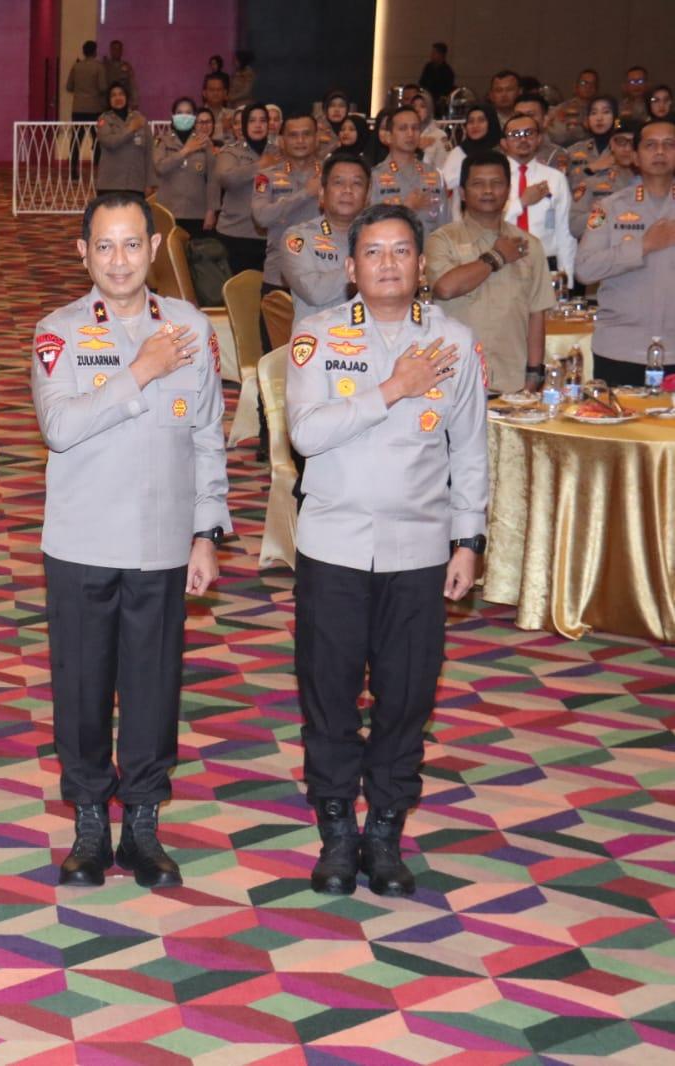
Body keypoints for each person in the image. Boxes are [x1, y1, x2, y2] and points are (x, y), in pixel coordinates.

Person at [286, 202, 488, 899]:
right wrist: (394, 388)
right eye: (373, 252)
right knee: (329, 696)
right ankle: (337, 831)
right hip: (334, 546)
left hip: (418, 548)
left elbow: (470, 448)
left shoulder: (454, 342)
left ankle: (385, 831)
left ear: (421, 264)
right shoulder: (316, 337)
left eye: (401, 251)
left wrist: (468, 539)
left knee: (406, 697)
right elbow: (306, 434)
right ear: (351, 267)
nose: (388, 264)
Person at [32, 191, 229, 889]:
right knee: (82, 689)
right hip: (82, 541)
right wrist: (141, 370)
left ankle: (142, 823)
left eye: (132, 244)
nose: (119, 260)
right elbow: (60, 427)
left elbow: (207, 433)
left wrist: (206, 530)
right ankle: (89, 821)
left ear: (153, 249)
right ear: (83, 254)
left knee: (152, 689)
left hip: (161, 541)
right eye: (104, 246)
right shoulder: (57, 331)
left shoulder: (189, 327)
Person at [427, 150, 551, 395]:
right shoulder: (442, 239)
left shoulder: (530, 245)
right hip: (454, 379)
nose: (488, 191)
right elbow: (445, 288)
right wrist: (497, 257)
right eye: (478, 184)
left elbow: (537, 313)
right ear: (463, 193)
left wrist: (534, 374)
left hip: (513, 380)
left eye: (496, 183)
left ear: (508, 190)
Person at [576, 118, 675, 386]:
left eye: (669, 144)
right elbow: (585, 269)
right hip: (619, 349)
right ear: (635, 157)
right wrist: (643, 246)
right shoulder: (606, 208)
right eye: (650, 145)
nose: (660, 151)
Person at [280, 152, 370, 323]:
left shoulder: (378, 239)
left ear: (367, 197)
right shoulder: (298, 237)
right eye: (338, 182)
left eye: (357, 183)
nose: (348, 190)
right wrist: (367, 268)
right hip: (319, 335)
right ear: (322, 193)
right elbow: (313, 292)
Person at [252, 110, 323, 291]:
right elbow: (261, 217)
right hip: (278, 276)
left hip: (323, 275)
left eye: (306, 134)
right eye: (293, 135)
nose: (300, 141)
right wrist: (306, 193)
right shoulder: (266, 177)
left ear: (317, 138)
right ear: (282, 141)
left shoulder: (333, 176)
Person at [501, 113, 574, 282]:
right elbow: (487, 223)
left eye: (529, 133)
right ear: (504, 143)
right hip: (505, 265)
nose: (523, 139)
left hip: (545, 265)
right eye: (515, 134)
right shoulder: (494, 177)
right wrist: (521, 203)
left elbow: (565, 232)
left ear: (539, 139)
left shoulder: (555, 178)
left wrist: (566, 279)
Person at [206, 103, 269, 275]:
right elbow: (226, 179)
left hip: (269, 235)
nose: (258, 125)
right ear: (244, 125)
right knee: (236, 288)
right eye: (252, 121)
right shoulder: (231, 151)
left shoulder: (277, 151)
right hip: (235, 233)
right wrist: (259, 166)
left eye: (263, 120)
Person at [369, 106, 445, 234]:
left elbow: (445, 227)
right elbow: (368, 227)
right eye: (403, 128)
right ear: (389, 136)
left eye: (415, 128)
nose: (410, 133)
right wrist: (406, 209)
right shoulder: (374, 177)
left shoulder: (435, 176)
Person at [569, 118, 638, 239]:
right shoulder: (592, 182)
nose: (627, 148)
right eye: (621, 141)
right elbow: (574, 227)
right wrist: (603, 215)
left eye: (633, 143)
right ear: (612, 144)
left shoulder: (655, 183)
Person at [154, 99, 214, 238]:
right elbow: (160, 167)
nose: (184, 116)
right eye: (180, 112)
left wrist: (211, 210)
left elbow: (212, 180)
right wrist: (186, 150)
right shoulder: (162, 141)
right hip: (168, 211)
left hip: (197, 213)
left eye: (188, 113)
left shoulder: (204, 142)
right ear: (173, 116)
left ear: (194, 117)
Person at [94, 83, 155, 197]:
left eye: (121, 94)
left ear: (127, 97)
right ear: (109, 100)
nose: (118, 98)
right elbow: (110, 142)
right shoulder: (104, 120)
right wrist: (130, 129)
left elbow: (149, 152)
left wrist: (149, 183)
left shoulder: (140, 119)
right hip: (110, 184)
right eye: (113, 95)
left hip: (135, 183)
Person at [439, 103, 499, 214]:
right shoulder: (459, 152)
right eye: (471, 121)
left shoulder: (501, 151)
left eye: (481, 120)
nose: (475, 125)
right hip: (464, 216)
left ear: (491, 123)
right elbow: (444, 183)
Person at [67, 41, 106, 179]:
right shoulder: (99, 67)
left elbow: (69, 87)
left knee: (76, 139)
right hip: (95, 108)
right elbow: (103, 87)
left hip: (78, 108)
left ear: (83, 52)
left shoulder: (76, 67)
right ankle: (98, 168)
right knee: (98, 139)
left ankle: (73, 169)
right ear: (95, 51)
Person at [562, 96, 621, 187]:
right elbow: (561, 183)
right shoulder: (574, 150)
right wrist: (591, 168)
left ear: (616, 119)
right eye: (594, 113)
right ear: (587, 120)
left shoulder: (625, 150)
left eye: (606, 112)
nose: (599, 118)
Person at [548, 69, 600, 145]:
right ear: (576, 86)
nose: (588, 87)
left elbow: (616, 125)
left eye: (593, 84)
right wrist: (583, 128)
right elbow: (558, 136)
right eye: (584, 83)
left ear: (597, 88)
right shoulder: (563, 108)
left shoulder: (601, 109)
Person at [418, 43, 455, 114]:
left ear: (441, 54)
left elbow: (445, 92)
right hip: (425, 100)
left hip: (438, 105)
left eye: (434, 53)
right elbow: (422, 83)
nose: (431, 55)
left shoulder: (448, 72)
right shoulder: (428, 67)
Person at [203, 72, 234, 144]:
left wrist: (227, 131)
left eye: (219, 89)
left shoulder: (233, 116)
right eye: (211, 90)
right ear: (204, 93)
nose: (215, 93)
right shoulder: (197, 117)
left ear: (225, 93)